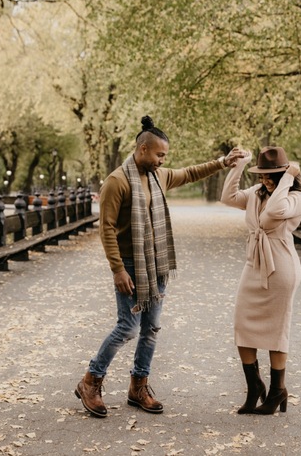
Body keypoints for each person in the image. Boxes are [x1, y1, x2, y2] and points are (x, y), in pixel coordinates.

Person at [75, 115, 246, 418]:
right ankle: (91, 380)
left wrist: (222, 162)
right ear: (142, 149)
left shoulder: (158, 176)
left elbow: (190, 173)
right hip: (129, 265)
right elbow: (107, 229)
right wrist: (118, 269)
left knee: (150, 328)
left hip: (155, 264)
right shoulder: (117, 181)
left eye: (164, 156)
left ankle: (138, 386)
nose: (162, 161)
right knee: (127, 327)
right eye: (159, 155)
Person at [220, 146, 301, 415]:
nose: (266, 179)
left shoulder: (296, 197)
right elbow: (228, 197)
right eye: (262, 174)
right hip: (254, 264)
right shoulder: (256, 193)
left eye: (272, 174)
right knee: (242, 324)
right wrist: (240, 165)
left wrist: (286, 180)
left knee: (276, 331)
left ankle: (277, 391)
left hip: (281, 267)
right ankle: (255, 387)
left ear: (286, 173)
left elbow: (273, 213)